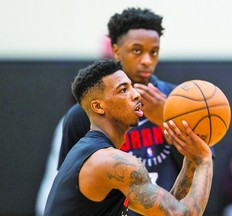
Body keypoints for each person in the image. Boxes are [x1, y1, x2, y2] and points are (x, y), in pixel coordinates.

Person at [58, 6, 215, 197]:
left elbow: (201, 170)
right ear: (116, 51)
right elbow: (70, 186)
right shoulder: (83, 113)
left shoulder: (182, 100)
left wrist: (167, 120)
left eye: (154, 52)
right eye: (137, 50)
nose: (147, 60)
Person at [44, 58, 213, 215]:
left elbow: (166, 209)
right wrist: (204, 160)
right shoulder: (110, 163)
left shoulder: (94, 152)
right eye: (123, 90)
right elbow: (180, 214)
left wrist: (191, 160)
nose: (136, 94)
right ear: (98, 106)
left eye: (132, 86)